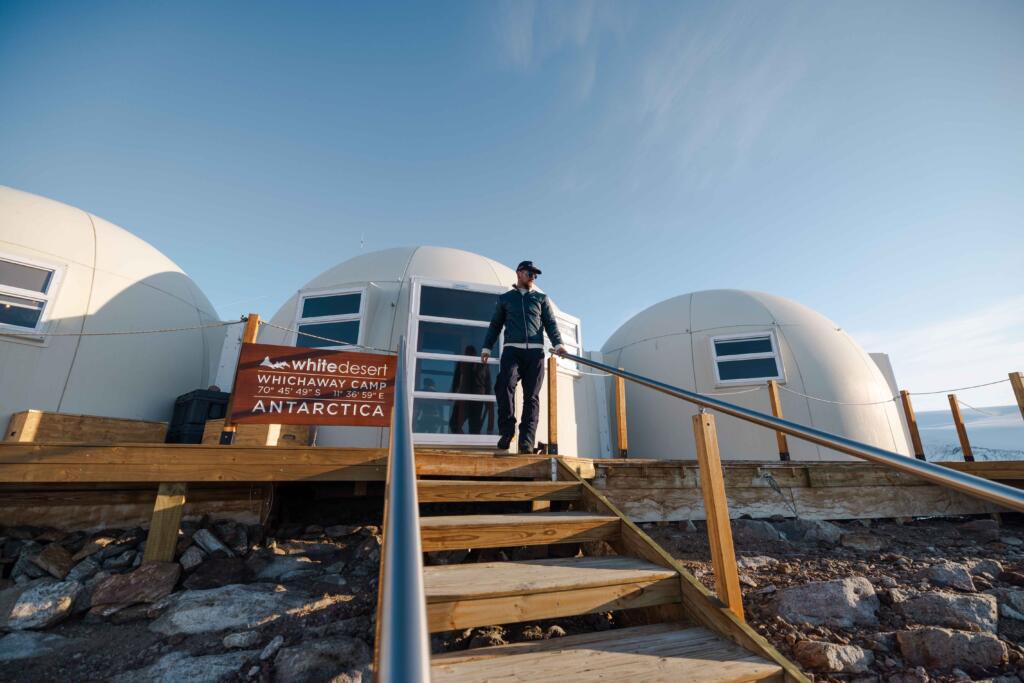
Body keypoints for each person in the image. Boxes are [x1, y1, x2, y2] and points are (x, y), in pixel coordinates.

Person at [481, 260, 566, 453]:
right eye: (530, 273)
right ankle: (507, 431)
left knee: (532, 397)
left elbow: (550, 323)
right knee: (504, 384)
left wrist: (558, 344)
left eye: (535, 275)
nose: (533, 277)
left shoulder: (541, 299)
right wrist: (487, 347)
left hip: (535, 353)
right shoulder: (505, 299)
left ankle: (526, 440)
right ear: (519, 273)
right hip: (512, 350)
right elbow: (495, 325)